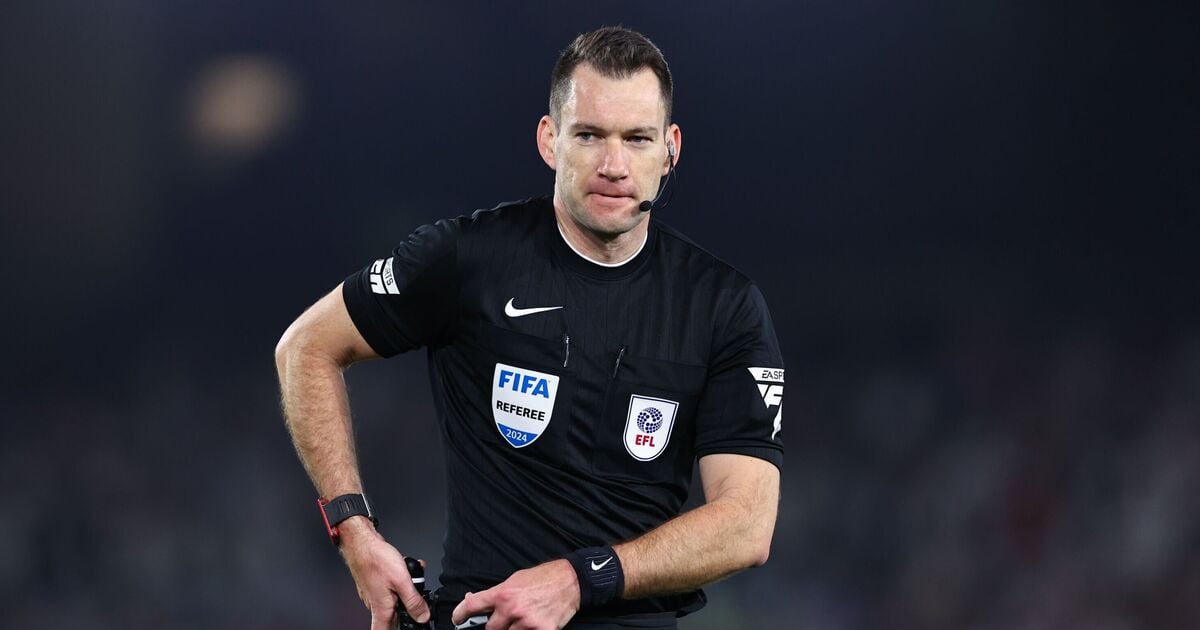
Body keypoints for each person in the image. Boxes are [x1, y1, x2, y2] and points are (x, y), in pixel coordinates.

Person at [275, 26, 785, 630]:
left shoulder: (721, 304)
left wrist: (578, 578)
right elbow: (305, 346)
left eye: (638, 139)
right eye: (590, 135)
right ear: (549, 140)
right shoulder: (466, 259)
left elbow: (747, 525)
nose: (615, 165)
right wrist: (352, 529)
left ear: (671, 149)